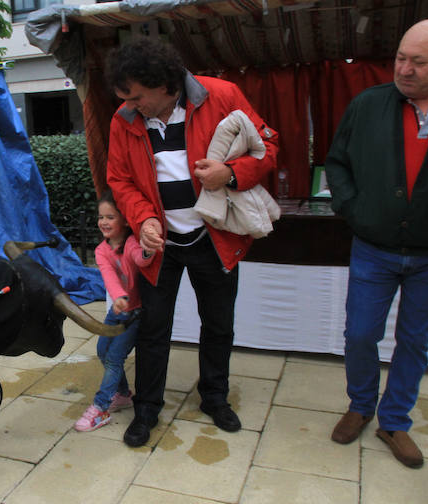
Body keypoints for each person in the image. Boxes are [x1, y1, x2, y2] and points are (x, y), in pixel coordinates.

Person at [325, 19, 428, 468]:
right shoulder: (369, 104)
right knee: (359, 334)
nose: (404, 69)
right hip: (373, 247)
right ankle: (360, 406)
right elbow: (336, 163)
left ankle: (394, 421)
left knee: (414, 340)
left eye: (418, 61)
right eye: (400, 58)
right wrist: (352, 208)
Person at [106, 37, 279, 447]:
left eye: (136, 96)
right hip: (160, 244)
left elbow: (267, 147)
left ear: (164, 83)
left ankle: (215, 398)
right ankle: (147, 407)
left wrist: (230, 173)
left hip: (214, 238)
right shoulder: (123, 119)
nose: (131, 106)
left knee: (218, 325)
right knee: (153, 328)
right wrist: (143, 217)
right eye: (125, 98)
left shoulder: (221, 96)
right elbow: (120, 180)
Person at [74, 192, 151, 432]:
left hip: (134, 313)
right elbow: (108, 275)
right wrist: (118, 296)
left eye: (110, 217)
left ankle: (100, 408)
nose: (104, 222)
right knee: (102, 351)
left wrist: (148, 251)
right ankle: (123, 393)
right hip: (117, 310)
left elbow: (141, 259)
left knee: (115, 358)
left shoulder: (131, 243)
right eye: (100, 217)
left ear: (126, 221)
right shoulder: (101, 250)